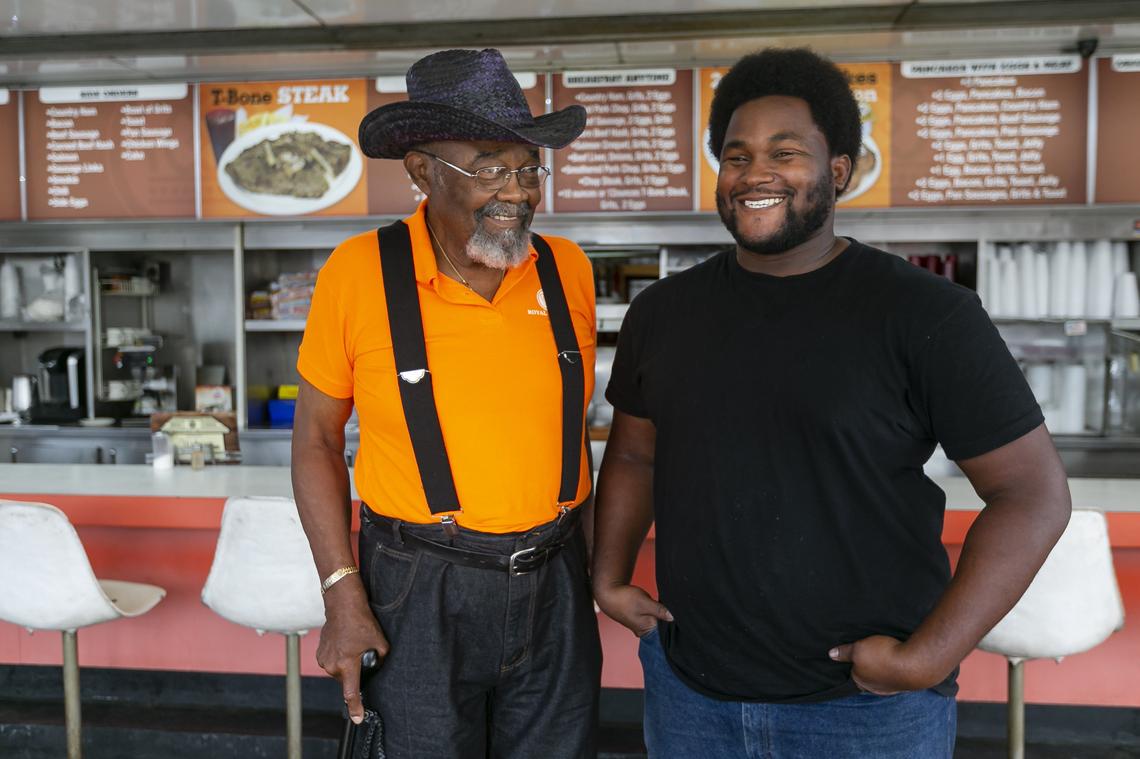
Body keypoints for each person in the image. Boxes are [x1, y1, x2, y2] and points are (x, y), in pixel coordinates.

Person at [592, 47, 1071, 758]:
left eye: (785, 153)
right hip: (690, 692)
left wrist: (928, 658)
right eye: (736, 155)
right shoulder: (663, 314)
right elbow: (634, 449)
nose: (756, 173)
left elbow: (1032, 496)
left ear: (838, 170)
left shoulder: (924, 314)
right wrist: (606, 573)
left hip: (866, 709)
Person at [292, 48, 600, 758]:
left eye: (528, 168)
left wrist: (586, 568)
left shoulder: (567, 270)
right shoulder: (357, 273)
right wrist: (342, 590)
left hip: (553, 578)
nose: (518, 192)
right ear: (423, 172)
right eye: (490, 167)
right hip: (417, 585)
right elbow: (313, 437)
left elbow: (568, 425)